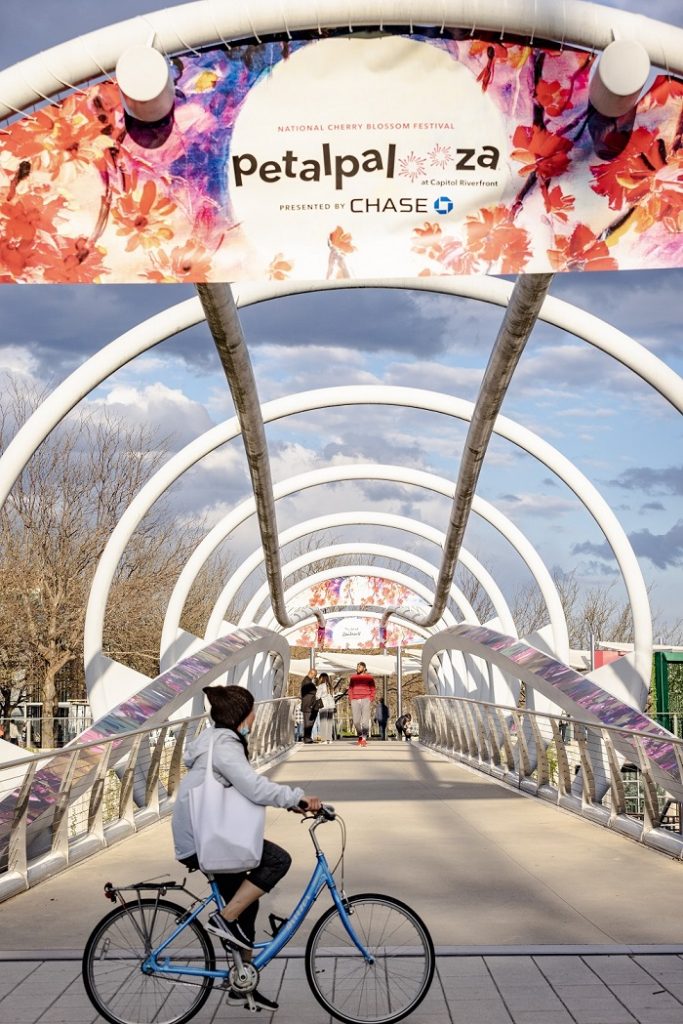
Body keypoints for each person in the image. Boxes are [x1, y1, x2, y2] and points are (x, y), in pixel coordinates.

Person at [172, 684, 322, 1011]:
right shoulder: (224, 745)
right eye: (251, 709)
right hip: (205, 839)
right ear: (240, 713)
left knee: (247, 905)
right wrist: (297, 797)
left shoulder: (214, 741)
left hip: (204, 834)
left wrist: (290, 805)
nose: (254, 715)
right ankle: (223, 919)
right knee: (277, 861)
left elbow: (239, 787)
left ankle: (243, 983)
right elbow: (253, 788)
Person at [348, 661, 376, 747]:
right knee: (356, 721)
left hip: (365, 699)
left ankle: (364, 738)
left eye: (359, 667)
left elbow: (373, 689)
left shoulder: (369, 678)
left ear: (364, 668)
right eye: (357, 667)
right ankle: (360, 735)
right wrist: (351, 698)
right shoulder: (353, 678)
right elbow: (350, 689)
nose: (358, 668)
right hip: (355, 700)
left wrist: (370, 698)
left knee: (365, 722)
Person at [315, 673, 336, 744]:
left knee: (323, 722)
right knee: (329, 722)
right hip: (331, 705)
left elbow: (317, 696)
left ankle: (323, 739)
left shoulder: (321, 686)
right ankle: (329, 739)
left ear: (321, 678)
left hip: (324, 705)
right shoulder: (330, 686)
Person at [300, 669, 318, 744]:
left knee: (309, 722)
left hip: (308, 705)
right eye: (314, 675)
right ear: (312, 674)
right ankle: (307, 738)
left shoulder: (307, 681)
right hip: (308, 705)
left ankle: (308, 737)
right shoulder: (307, 682)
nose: (314, 677)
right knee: (308, 722)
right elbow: (311, 692)